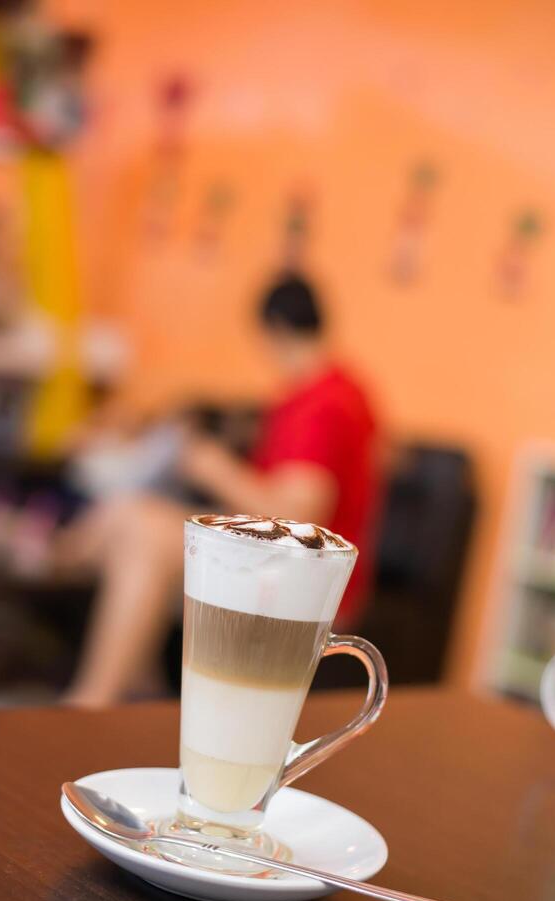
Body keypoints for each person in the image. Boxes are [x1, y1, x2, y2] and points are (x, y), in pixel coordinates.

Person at [59, 273, 383, 706]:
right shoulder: (347, 389)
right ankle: (131, 688)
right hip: (309, 573)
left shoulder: (319, 404)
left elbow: (300, 520)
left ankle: (94, 697)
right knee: (132, 520)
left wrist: (212, 467)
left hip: (305, 584)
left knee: (144, 531)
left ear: (276, 330)